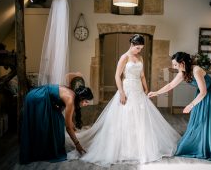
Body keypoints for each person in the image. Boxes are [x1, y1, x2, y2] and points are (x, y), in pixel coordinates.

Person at [67, 34, 180, 167]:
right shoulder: (124, 57)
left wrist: (146, 88)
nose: (139, 50)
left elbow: (142, 75)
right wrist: (121, 92)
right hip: (127, 89)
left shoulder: (140, 57)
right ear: (132, 45)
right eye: (138, 48)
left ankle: (139, 147)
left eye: (141, 48)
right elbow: (117, 76)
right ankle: (124, 149)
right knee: (125, 116)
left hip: (138, 89)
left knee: (140, 117)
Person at [148, 52, 211, 160]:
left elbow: (204, 92)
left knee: (207, 120)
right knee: (198, 120)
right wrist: (156, 92)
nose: (174, 67)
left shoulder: (196, 70)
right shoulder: (182, 72)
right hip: (201, 95)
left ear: (182, 63)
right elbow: (171, 85)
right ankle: (200, 144)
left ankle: (209, 146)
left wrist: (190, 105)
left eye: (175, 64)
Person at [20, 74, 93, 164]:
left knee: (59, 119)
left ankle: (49, 146)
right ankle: (40, 150)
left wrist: (70, 123)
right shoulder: (70, 99)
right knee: (41, 126)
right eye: (86, 101)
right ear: (81, 98)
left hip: (41, 96)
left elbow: (61, 107)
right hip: (37, 98)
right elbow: (68, 128)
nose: (87, 104)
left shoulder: (72, 94)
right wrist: (77, 144)